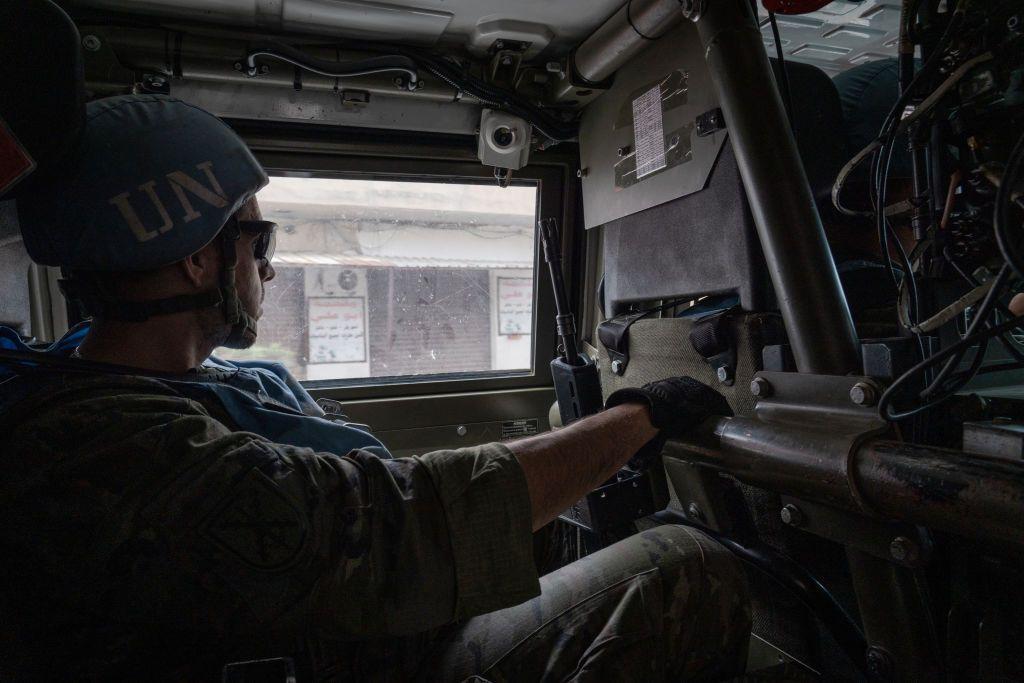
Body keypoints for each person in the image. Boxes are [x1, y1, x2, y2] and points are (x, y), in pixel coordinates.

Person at [0, 94, 750, 681]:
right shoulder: (108, 448)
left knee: (566, 529)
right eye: (257, 241)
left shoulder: (172, 388)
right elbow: (393, 527)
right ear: (198, 259)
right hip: (375, 661)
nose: (268, 269)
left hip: (364, 635)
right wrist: (637, 415)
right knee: (686, 567)